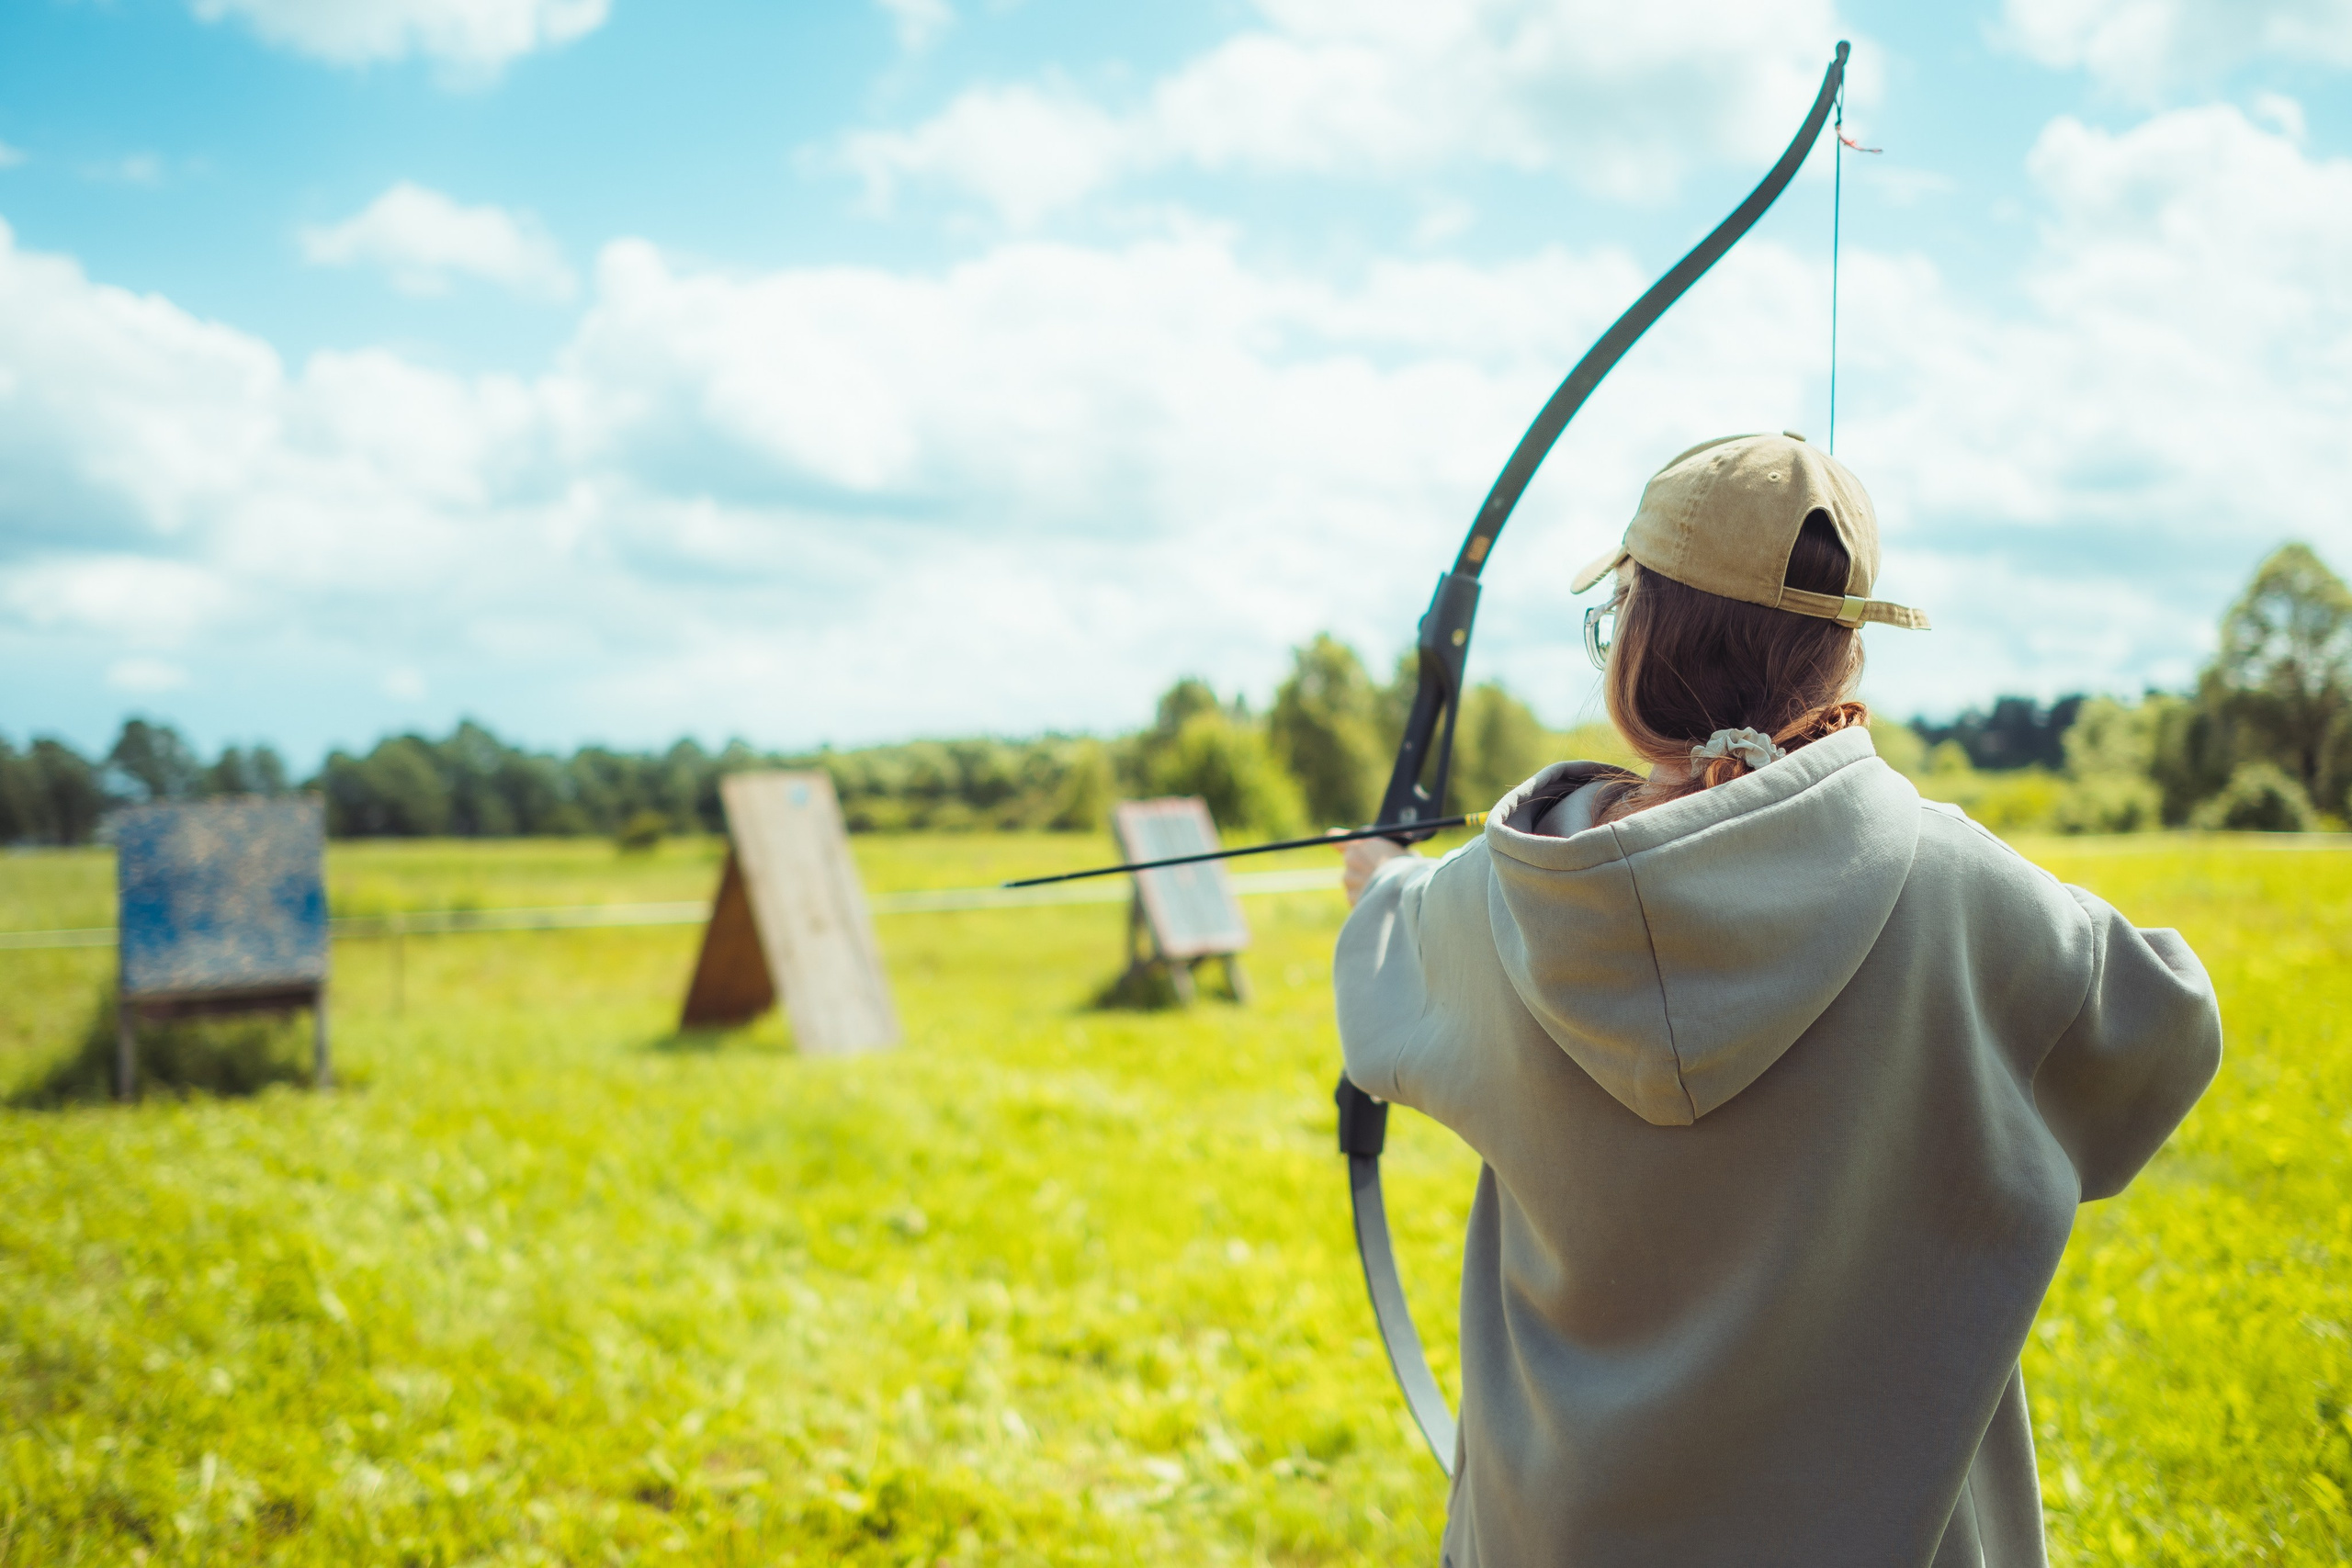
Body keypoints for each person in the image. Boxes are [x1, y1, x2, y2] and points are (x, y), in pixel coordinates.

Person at [1333, 432, 2222, 1567]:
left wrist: (1386, 880)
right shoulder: (1966, 900)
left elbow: (1381, 977)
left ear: (1634, 638)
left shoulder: (1487, 902)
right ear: (1841, 657)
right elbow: (2166, 1028)